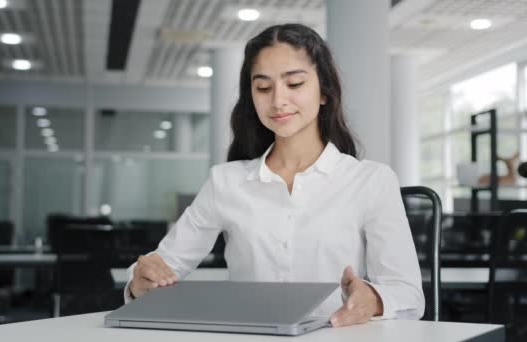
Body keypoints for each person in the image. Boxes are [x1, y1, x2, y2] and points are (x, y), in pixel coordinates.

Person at [124, 23, 424, 327]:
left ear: (324, 92)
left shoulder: (371, 181)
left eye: (294, 84)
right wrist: (141, 282)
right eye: (263, 88)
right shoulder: (225, 182)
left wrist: (372, 299)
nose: (278, 101)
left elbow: (408, 293)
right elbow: (162, 268)